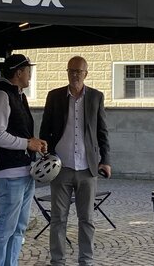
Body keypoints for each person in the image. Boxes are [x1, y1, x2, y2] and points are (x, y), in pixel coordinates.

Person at [39, 56, 111, 266]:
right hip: (60, 167)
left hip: (87, 169)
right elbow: (45, 129)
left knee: (86, 219)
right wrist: (46, 155)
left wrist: (105, 160)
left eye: (78, 71)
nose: (74, 75)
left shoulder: (96, 97)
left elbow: (102, 131)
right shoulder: (54, 96)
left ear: (86, 73)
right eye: (71, 70)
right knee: (58, 218)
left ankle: (86, 260)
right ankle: (57, 261)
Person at [0, 54, 48, 266]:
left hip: (25, 171)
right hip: (9, 174)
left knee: (19, 228)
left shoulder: (18, 95)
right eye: (28, 70)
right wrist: (27, 143)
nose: (30, 74)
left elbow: (18, 133)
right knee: (5, 228)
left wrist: (34, 143)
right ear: (18, 72)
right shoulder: (0, 96)